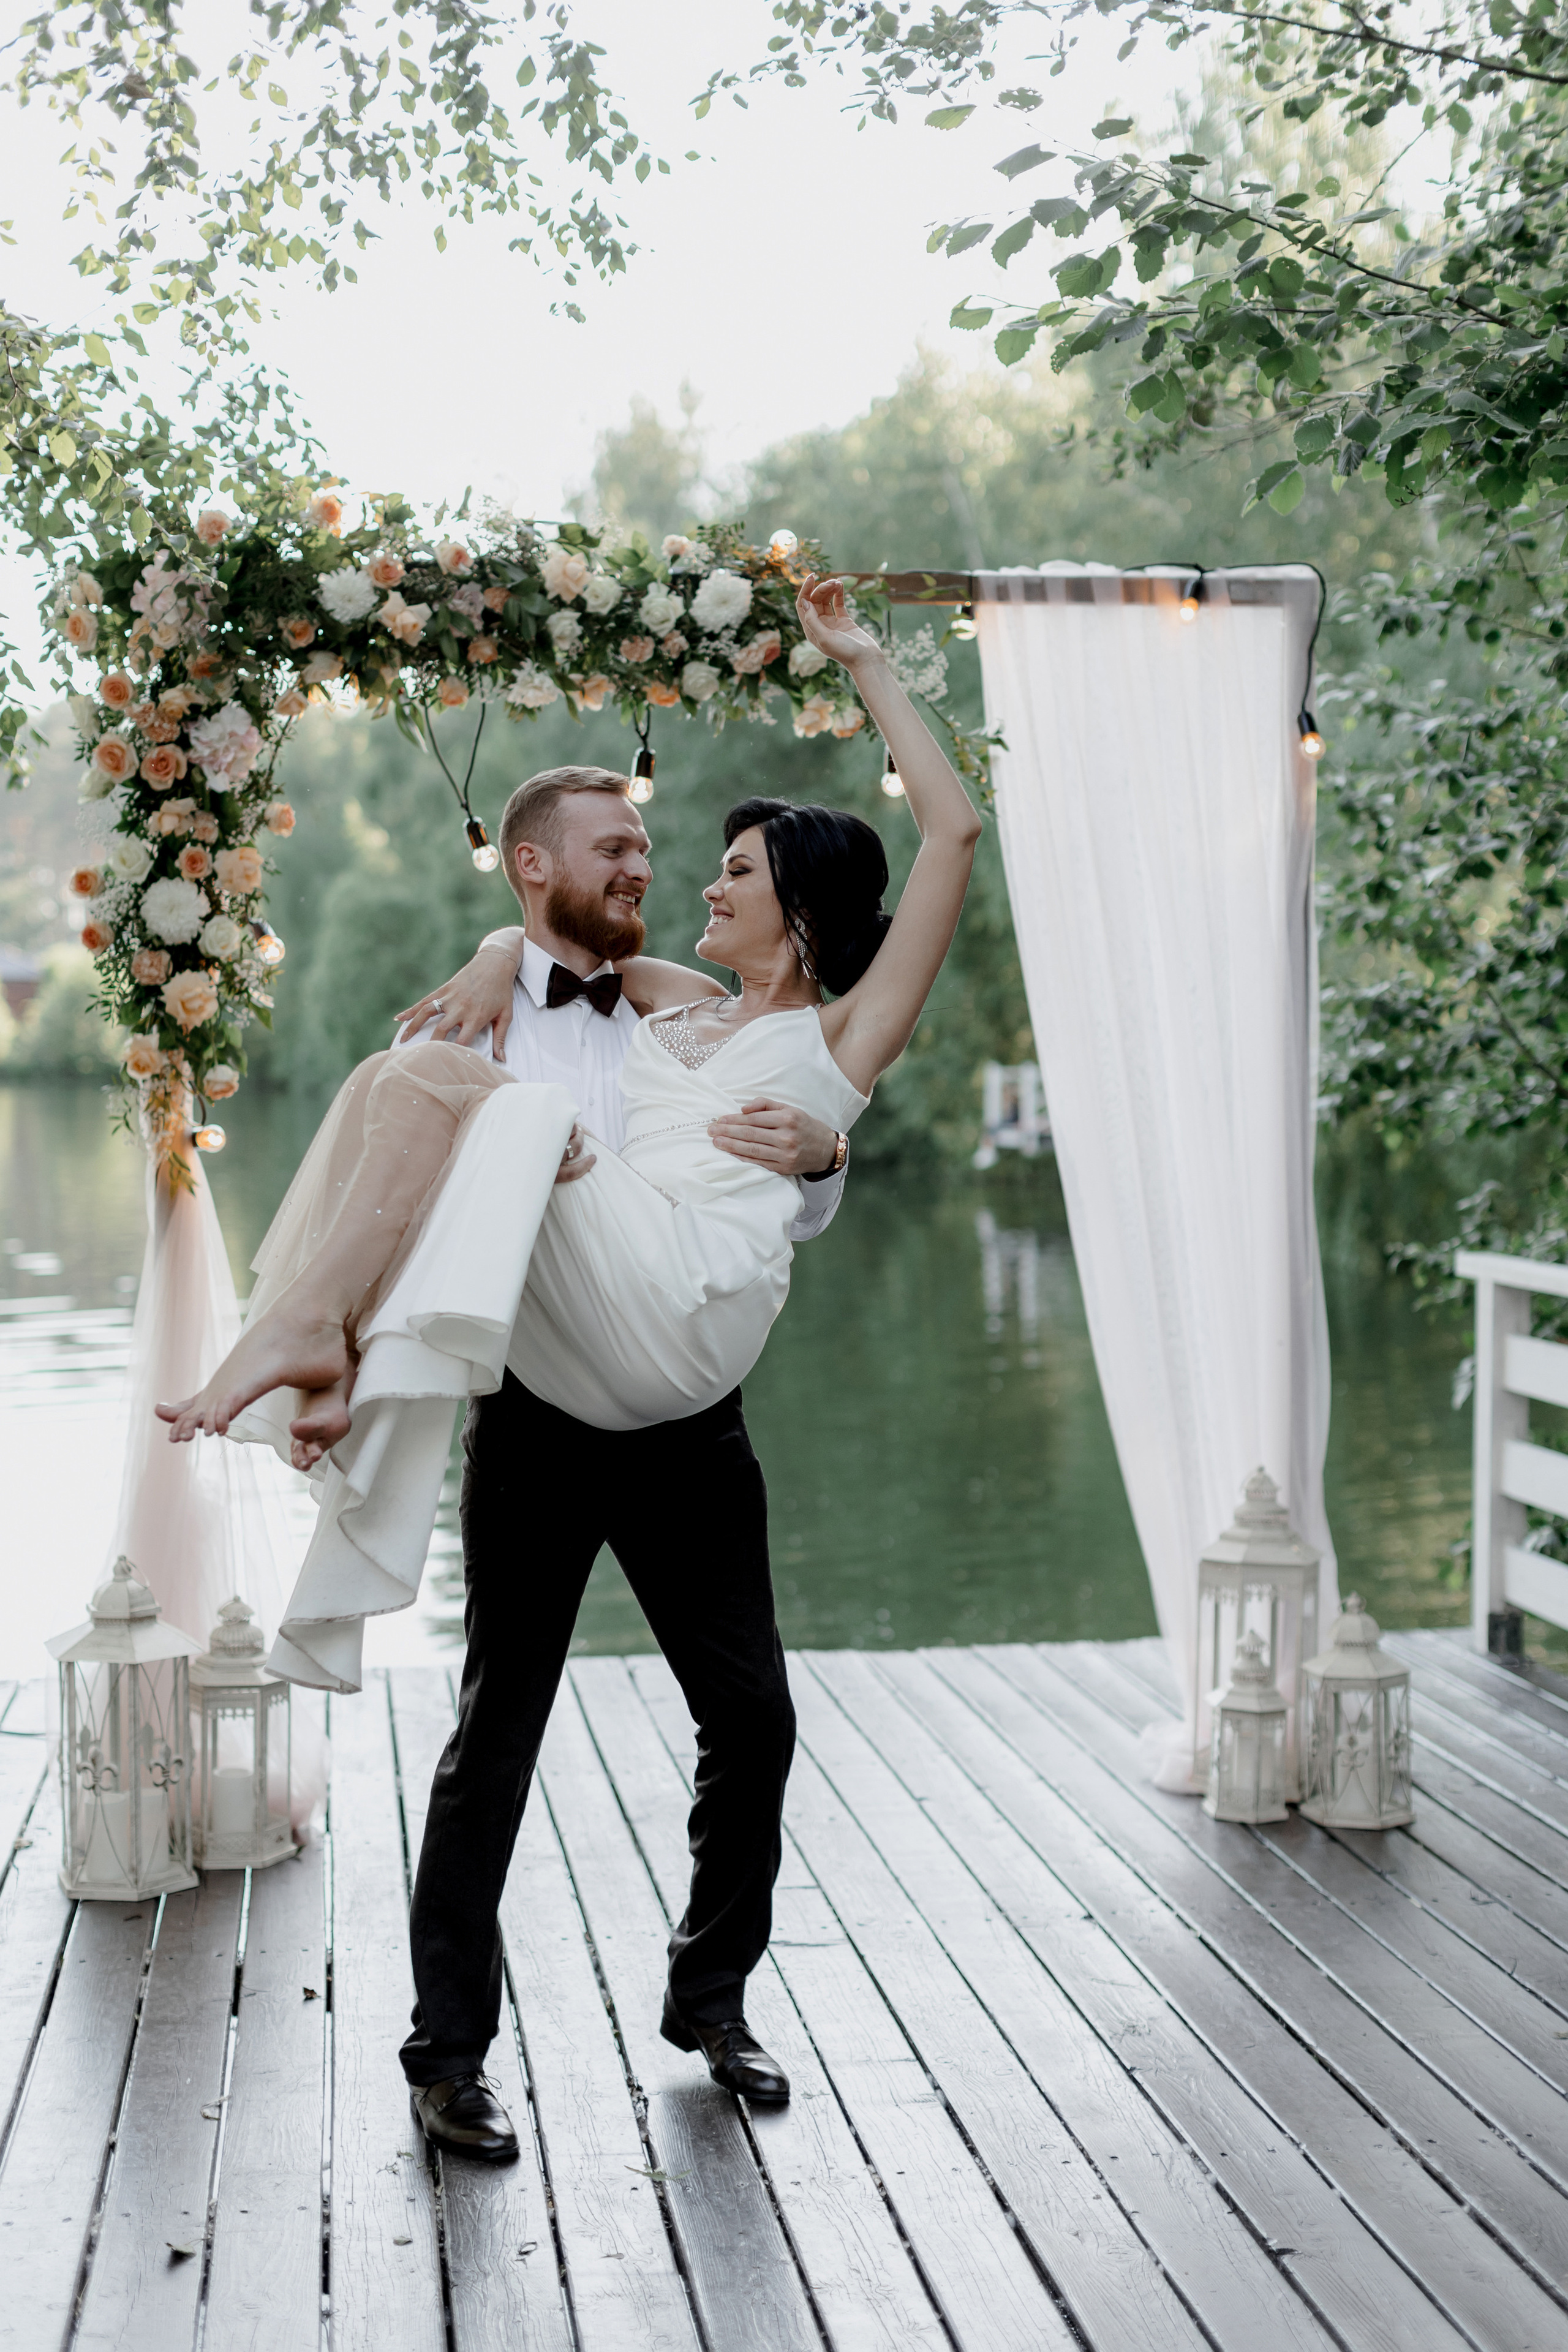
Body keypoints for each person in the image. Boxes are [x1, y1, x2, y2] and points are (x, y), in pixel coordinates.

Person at [157, 573, 982, 2155]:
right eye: (656, 861)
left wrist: (865, 659)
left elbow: (949, 839)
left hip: (684, 1396)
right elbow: (523, 960)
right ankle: (446, 2050)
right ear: (546, 881)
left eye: (724, 873)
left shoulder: (826, 1035)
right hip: (544, 1406)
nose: (684, 890)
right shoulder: (626, 1003)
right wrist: (487, 948)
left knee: (756, 1721)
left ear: (794, 908)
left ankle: (711, 1995)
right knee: (497, 1730)